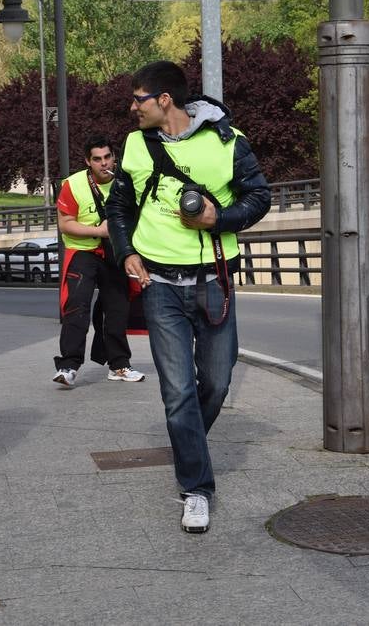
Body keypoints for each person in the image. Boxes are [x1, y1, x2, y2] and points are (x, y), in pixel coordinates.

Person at [106, 61, 271, 533]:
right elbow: (119, 206)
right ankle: (196, 489)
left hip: (213, 280)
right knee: (177, 392)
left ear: (163, 101)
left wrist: (216, 220)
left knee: (217, 382)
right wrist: (126, 252)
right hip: (159, 286)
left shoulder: (228, 141)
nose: (131, 107)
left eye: (137, 98)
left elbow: (259, 197)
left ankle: (186, 442)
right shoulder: (137, 144)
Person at [52, 135, 144, 387]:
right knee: (76, 308)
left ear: (114, 157)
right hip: (83, 252)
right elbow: (65, 224)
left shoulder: (126, 183)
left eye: (107, 157)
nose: (104, 164)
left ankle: (119, 365)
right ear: (87, 161)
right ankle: (68, 366)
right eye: (97, 159)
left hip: (113, 254)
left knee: (117, 308)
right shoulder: (72, 185)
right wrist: (99, 231)